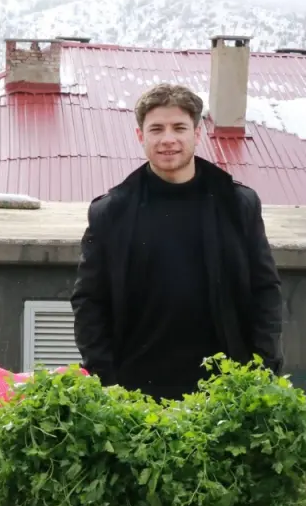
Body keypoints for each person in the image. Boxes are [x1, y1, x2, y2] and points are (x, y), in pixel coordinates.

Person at [70, 83, 283, 401]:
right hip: (136, 394)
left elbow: (265, 292)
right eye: (156, 129)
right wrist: (107, 382)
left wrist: (261, 372)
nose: (168, 139)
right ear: (141, 136)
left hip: (225, 393)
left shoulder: (237, 204)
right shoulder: (111, 212)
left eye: (179, 128)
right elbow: (90, 303)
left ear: (197, 134)